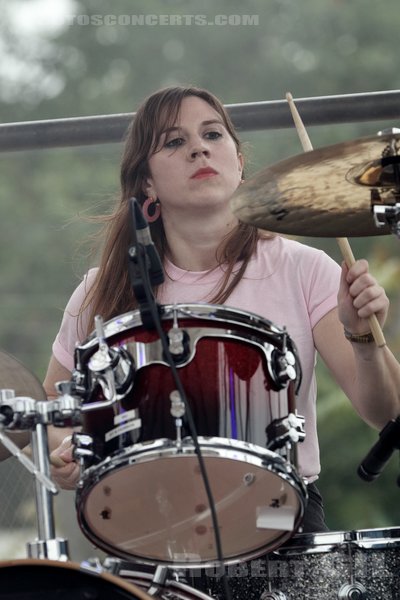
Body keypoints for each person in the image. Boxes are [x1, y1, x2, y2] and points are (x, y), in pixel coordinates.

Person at [42, 85, 400, 592]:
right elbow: (55, 413)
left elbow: (385, 412)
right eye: (173, 142)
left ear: (238, 161)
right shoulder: (104, 291)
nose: (199, 148)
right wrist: (66, 453)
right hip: (152, 529)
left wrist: (363, 337)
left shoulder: (304, 268)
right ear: (146, 183)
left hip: (278, 522)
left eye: (213, 134)